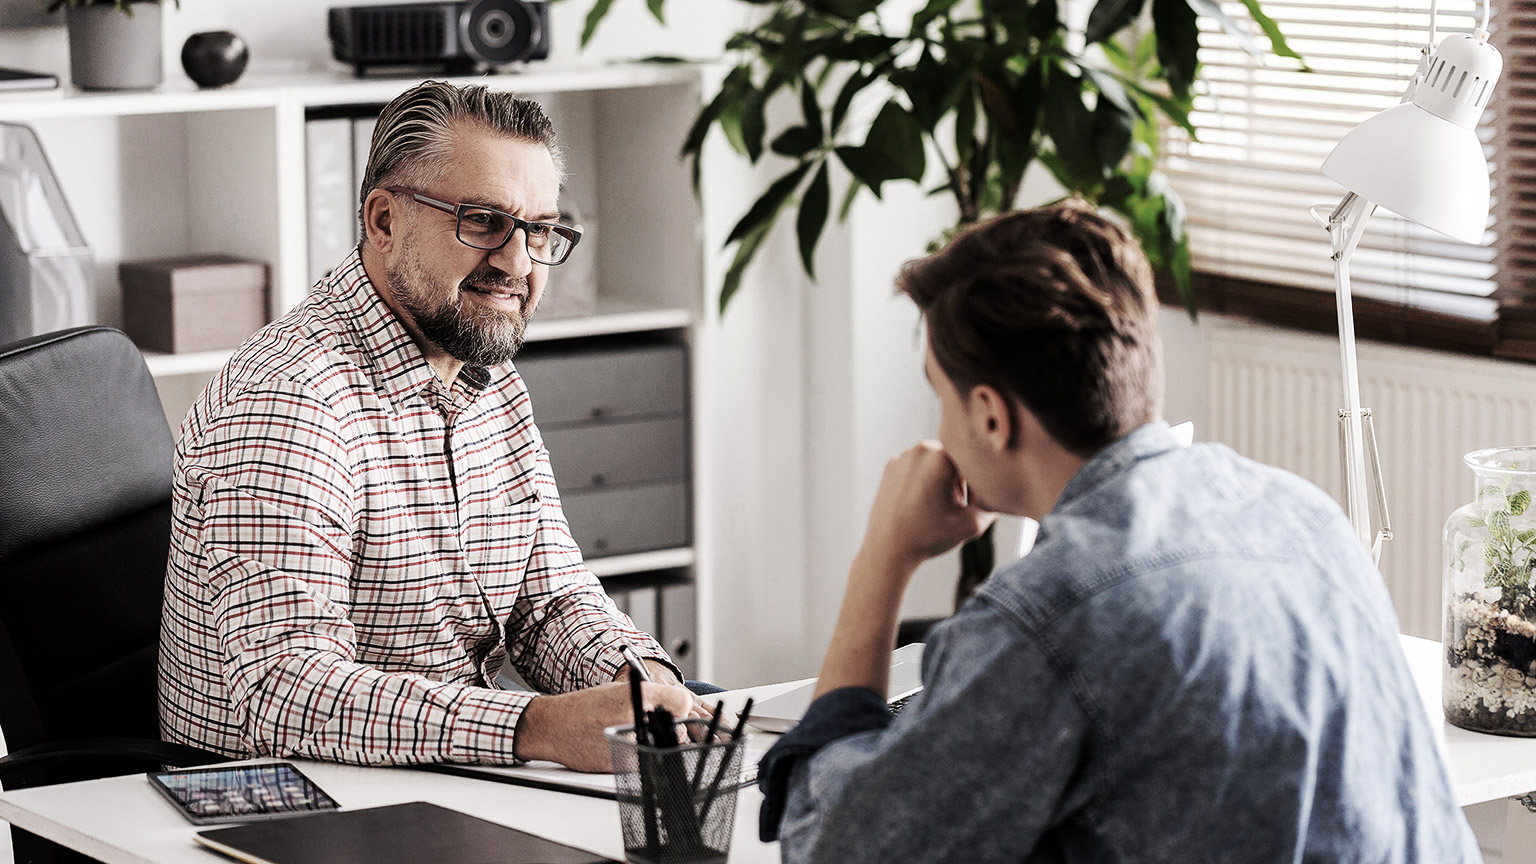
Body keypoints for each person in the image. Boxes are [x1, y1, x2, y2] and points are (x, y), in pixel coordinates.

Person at [757, 202, 1479, 862]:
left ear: (990, 416)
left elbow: (832, 846)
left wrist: (884, 555)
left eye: (938, 395)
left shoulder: (1051, 615)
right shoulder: (1306, 516)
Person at [158, 81, 700, 772]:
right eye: (482, 222)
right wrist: (535, 726)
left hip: (442, 772)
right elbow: (284, 692)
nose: (518, 262)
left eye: (538, 230)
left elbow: (551, 598)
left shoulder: (485, 374)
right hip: (290, 800)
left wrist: (645, 684)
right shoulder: (289, 401)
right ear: (383, 221)